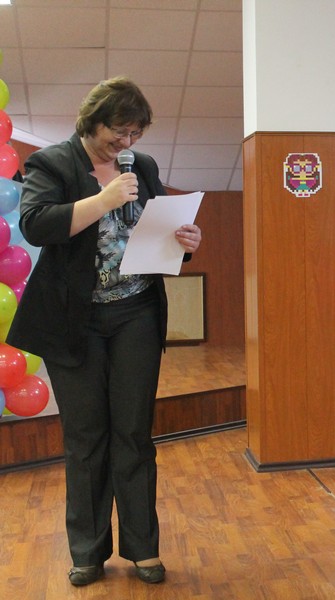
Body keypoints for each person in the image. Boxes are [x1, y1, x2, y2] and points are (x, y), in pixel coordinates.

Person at [6, 77, 202, 586]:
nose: (127, 143)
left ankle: (143, 548)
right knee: (86, 437)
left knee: (133, 433)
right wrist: (104, 199)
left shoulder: (144, 167)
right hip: (74, 320)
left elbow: (159, 230)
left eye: (135, 133)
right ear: (92, 122)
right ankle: (88, 551)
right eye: (119, 131)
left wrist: (185, 240)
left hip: (136, 312)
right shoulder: (52, 163)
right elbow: (36, 225)